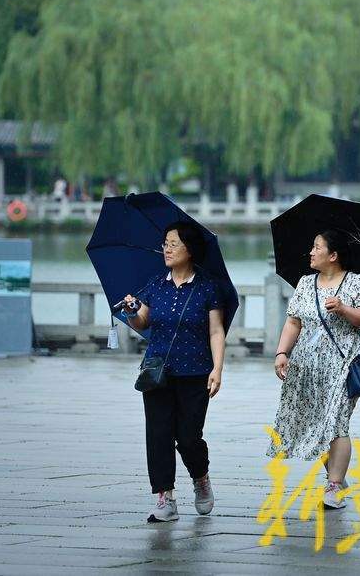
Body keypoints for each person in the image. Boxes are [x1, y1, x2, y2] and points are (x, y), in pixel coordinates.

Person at [121, 222, 227, 523]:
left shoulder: (207, 287)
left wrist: (217, 369)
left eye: (173, 243)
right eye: (165, 243)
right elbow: (142, 322)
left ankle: (201, 477)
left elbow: (216, 331)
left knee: (189, 437)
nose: (166, 249)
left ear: (190, 249)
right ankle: (165, 497)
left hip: (195, 371)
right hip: (157, 372)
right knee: (158, 435)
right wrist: (132, 308)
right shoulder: (156, 284)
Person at [267, 229, 360, 510]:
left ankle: (334, 485)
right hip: (307, 364)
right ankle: (337, 475)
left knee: (337, 421)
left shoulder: (354, 282)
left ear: (334, 255)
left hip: (342, 363)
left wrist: (344, 309)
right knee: (316, 423)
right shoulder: (305, 283)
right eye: (312, 247)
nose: (311, 252)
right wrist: (282, 352)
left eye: (317, 247)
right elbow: (294, 322)